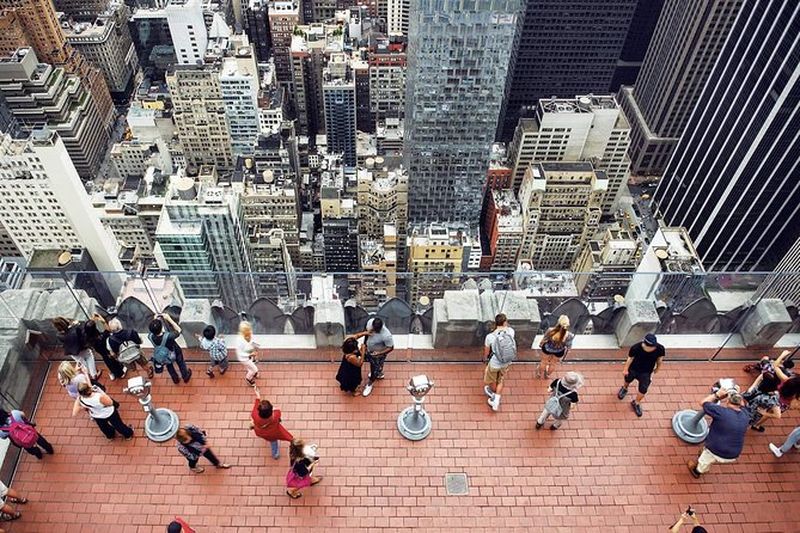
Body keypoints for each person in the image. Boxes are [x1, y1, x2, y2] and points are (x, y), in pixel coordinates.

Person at [687, 388, 750, 478]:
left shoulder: (721, 412)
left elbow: (703, 403)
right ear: (741, 403)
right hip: (734, 454)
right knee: (709, 455)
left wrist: (717, 395)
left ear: (727, 401)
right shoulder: (745, 415)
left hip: (715, 449)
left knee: (704, 461)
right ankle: (704, 459)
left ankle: (697, 471)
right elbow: (744, 405)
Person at [617, 333, 665, 417]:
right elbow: (630, 358)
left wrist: (658, 368)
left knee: (643, 388)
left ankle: (636, 402)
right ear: (645, 344)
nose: (653, 348)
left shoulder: (660, 348)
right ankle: (624, 388)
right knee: (628, 379)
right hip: (633, 368)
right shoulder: (636, 347)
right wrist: (625, 369)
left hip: (646, 372)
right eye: (651, 347)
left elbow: (660, 359)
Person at [349, 317, 394, 398]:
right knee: (365, 359)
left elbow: (390, 347)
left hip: (377, 354)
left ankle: (370, 384)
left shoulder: (387, 335)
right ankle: (379, 373)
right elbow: (366, 334)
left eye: (376, 330)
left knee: (374, 369)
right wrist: (365, 344)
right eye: (373, 328)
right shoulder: (370, 323)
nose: (374, 331)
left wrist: (379, 353)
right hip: (367, 350)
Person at [482, 314, 517, 412]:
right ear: (505, 322)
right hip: (506, 361)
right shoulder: (511, 332)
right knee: (500, 379)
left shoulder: (490, 337)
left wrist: (485, 359)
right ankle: (496, 400)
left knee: (492, 379)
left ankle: (494, 396)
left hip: (494, 362)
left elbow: (487, 351)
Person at [250, 386, 293, 460]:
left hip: (260, 432)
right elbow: (278, 410)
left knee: (273, 442)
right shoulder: (275, 415)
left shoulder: (254, 415)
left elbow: (256, 405)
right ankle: (275, 454)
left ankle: (275, 455)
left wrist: (258, 396)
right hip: (273, 432)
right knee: (274, 441)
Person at [148, 314, 192, 385]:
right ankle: (185, 376)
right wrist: (169, 319)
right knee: (180, 363)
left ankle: (175, 379)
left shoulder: (150, 336)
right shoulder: (168, 336)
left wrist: (155, 320)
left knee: (169, 366)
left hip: (164, 355)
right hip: (174, 351)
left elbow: (153, 330)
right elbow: (179, 330)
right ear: (161, 327)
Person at [84, 314, 126, 382]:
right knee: (114, 362)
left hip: (102, 353)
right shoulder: (101, 338)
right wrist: (103, 321)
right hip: (107, 351)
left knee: (108, 362)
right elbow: (108, 330)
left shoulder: (88, 336)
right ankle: (120, 374)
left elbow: (89, 326)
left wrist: (93, 319)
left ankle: (113, 372)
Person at [536, 315, 574, 379]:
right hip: (559, 351)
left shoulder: (551, 330)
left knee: (543, 362)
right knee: (553, 364)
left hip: (547, 348)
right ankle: (548, 375)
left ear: (558, 322)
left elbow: (545, 338)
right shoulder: (569, 335)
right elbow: (569, 346)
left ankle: (539, 373)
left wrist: (541, 344)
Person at [236, 321, 260, 386]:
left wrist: (256, 346)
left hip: (249, 356)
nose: (250, 331)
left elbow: (253, 341)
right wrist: (250, 354)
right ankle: (248, 379)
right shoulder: (240, 341)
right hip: (244, 358)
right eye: (248, 330)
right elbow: (240, 353)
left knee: (250, 366)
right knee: (255, 369)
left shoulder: (249, 335)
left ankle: (252, 372)